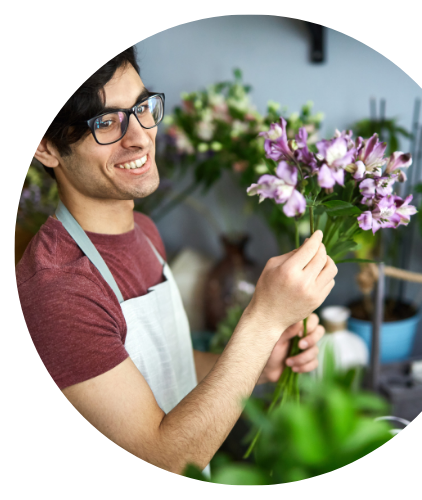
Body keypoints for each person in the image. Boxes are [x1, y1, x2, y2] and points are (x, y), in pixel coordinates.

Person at [17, 46, 338, 476]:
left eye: (141, 108)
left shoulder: (144, 233)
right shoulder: (57, 290)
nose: (139, 137)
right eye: (106, 123)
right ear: (46, 149)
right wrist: (263, 319)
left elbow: (170, 367)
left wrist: (262, 360)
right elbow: (163, 459)